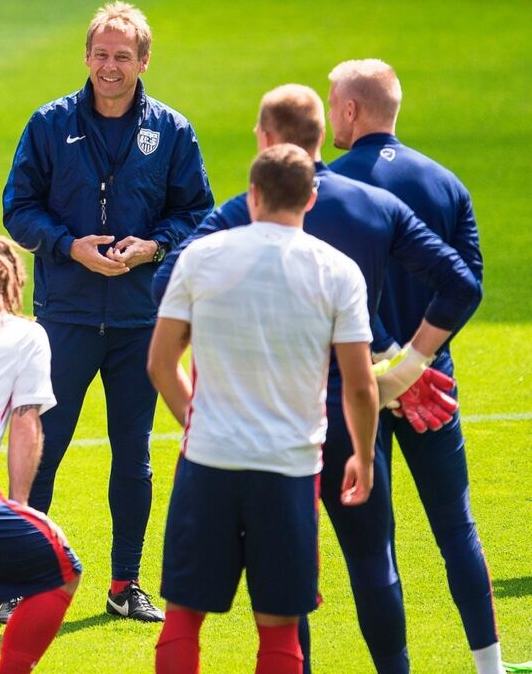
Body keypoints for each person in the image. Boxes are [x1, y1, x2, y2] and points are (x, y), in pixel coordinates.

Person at [149, 84, 482, 673]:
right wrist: (405, 366)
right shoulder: (372, 210)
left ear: (265, 142)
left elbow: (164, 295)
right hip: (341, 424)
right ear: (320, 136)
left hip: (248, 436)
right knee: (373, 563)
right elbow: (461, 282)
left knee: (223, 609)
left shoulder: (232, 218)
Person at [2, 1, 213, 622]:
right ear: (86, 56)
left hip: (137, 321)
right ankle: (28, 581)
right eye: (100, 54)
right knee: (45, 448)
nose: (110, 67)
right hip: (64, 316)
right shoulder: (48, 124)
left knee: (134, 455)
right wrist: (71, 246)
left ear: (144, 60)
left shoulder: (171, 131)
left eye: (123, 56)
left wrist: (155, 246)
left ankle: (125, 585)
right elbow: (17, 207)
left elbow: (196, 213)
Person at [149, 144, 379, 674]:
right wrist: (363, 459)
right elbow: (362, 388)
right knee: (279, 626)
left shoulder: (201, 256)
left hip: (208, 461)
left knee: (183, 615)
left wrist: (197, 421)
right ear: (311, 198)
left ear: (252, 195)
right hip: (290, 469)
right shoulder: (338, 271)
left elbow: (161, 363)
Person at [326, 59, 502, 674]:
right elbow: (467, 284)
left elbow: (332, 291)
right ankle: (490, 667)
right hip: (433, 387)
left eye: (332, 102)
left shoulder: (328, 188)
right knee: (457, 527)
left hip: (356, 388)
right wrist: (417, 362)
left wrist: (385, 363)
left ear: (350, 110)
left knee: (375, 550)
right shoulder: (447, 183)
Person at [0, 227, 82, 673]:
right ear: (10, 281)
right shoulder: (26, 336)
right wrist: (21, 505)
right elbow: (26, 423)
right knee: (64, 570)